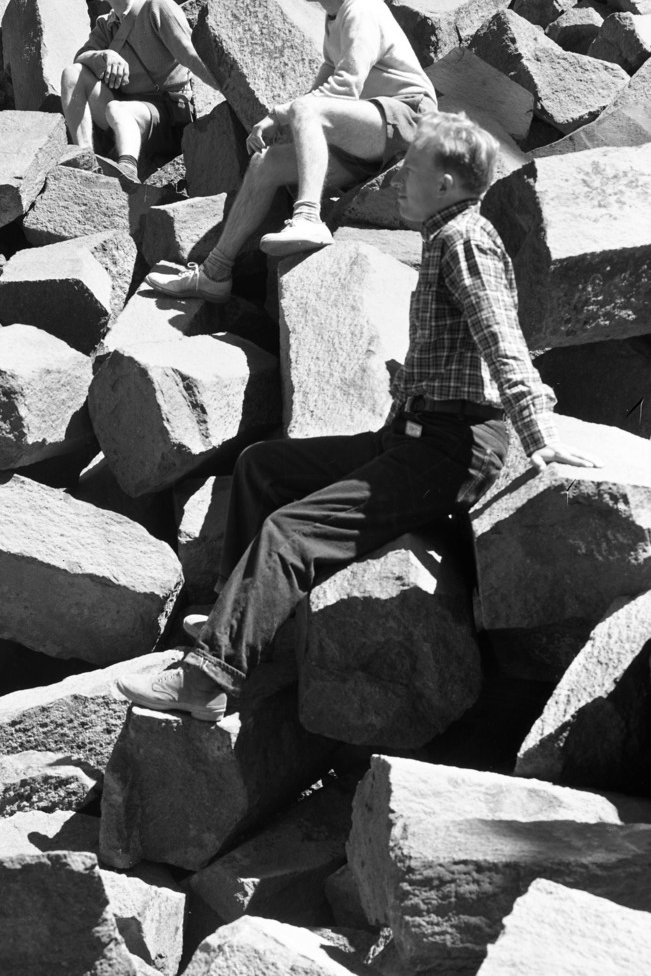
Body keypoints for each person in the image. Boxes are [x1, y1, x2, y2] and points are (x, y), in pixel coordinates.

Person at [117, 111, 599, 721]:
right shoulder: (446, 234)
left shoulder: (465, 240)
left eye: (411, 170)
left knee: (291, 531)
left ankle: (211, 680)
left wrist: (541, 436)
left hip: (450, 449)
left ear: (448, 184)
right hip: (413, 433)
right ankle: (231, 615)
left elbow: (502, 341)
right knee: (262, 466)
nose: (396, 179)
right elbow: (461, 353)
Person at [148, 0, 437, 301]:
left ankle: (308, 218)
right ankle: (215, 273)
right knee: (266, 163)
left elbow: (346, 86)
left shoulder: (362, 11)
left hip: (409, 119)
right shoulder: (334, 19)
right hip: (369, 136)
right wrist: (283, 121)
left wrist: (285, 114)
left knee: (305, 111)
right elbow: (321, 88)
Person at [60, 0, 219, 185]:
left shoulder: (156, 7)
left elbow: (190, 55)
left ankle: (127, 170)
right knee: (73, 73)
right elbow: (81, 57)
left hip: (170, 114)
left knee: (117, 109)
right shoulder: (106, 24)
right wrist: (104, 56)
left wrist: (229, 91)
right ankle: (85, 162)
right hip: (126, 111)